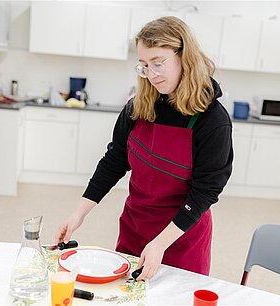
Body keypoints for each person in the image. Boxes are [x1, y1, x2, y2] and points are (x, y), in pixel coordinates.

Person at [55, 16, 233, 280]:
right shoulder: (139, 107)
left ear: (185, 56)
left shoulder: (212, 121)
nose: (152, 74)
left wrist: (161, 243)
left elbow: (205, 192)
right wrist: (78, 214)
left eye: (158, 63)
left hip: (180, 238)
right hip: (134, 229)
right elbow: (114, 160)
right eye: (144, 66)